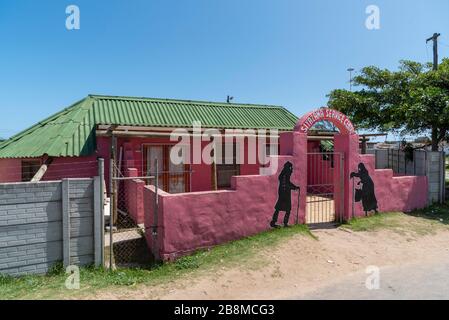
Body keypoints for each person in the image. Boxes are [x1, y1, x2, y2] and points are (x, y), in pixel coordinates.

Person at [270, 161, 300, 228]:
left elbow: (288, 182)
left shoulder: (284, 175)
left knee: (281, 208)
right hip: (284, 193)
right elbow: (286, 184)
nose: (291, 170)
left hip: (283, 193)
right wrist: (294, 187)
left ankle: (276, 222)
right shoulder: (284, 175)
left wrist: (294, 187)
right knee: (286, 208)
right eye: (290, 168)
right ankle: (283, 223)